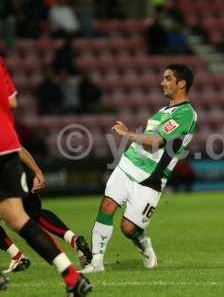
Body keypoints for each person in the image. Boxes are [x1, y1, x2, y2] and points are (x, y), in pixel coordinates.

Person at [81, 64, 197, 273]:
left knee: (129, 228)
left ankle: (144, 244)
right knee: (107, 206)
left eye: (168, 78)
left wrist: (127, 135)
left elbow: (155, 141)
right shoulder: (163, 111)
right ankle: (96, 262)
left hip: (150, 179)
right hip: (128, 165)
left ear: (181, 84)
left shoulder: (186, 114)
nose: (162, 82)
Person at [0, 56, 92, 295]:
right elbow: (12, 101)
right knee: (20, 218)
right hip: (7, 145)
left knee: (26, 215)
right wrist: (37, 170)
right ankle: (72, 277)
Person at [0, 146, 92, 274]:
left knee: (24, 216)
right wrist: (37, 172)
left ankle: (17, 257)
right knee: (35, 213)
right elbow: (19, 148)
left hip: (6, 175)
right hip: (21, 170)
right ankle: (74, 240)